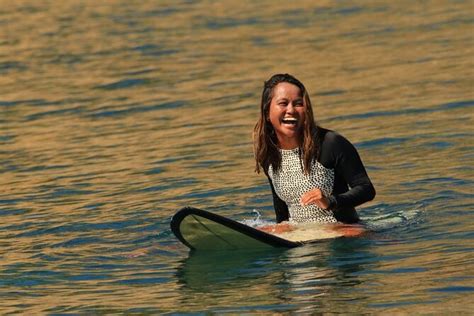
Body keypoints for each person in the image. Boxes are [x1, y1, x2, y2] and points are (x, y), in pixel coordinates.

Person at [254, 73, 375, 234]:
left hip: (342, 232)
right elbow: (281, 206)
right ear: (267, 112)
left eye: (298, 103)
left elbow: (366, 189)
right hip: (301, 233)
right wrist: (281, 227)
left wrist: (330, 201)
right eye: (283, 103)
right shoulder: (269, 153)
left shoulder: (330, 143)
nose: (291, 110)